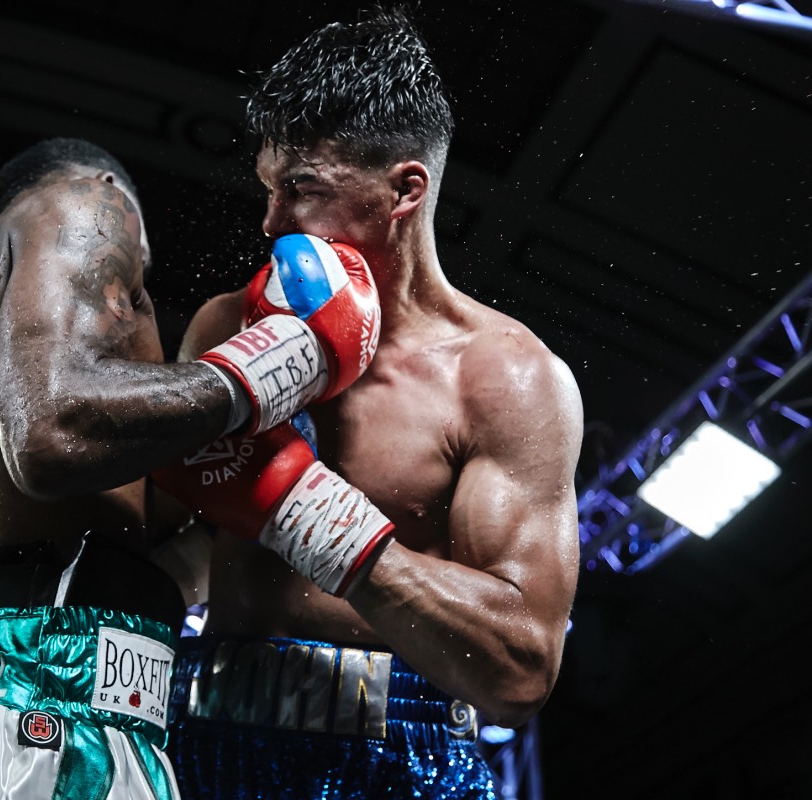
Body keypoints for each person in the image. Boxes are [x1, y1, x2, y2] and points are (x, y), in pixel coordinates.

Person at [0, 137, 384, 799]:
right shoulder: (85, 202)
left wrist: (249, 489)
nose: (131, 291)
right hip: (42, 734)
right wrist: (275, 366)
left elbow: (81, 539)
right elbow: (52, 436)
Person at [157, 7, 585, 799]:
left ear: (404, 190)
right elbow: (170, 533)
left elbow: (521, 667)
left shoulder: (503, 378)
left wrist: (307, 513)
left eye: (302, 188)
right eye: (268, 188)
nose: (272, 221)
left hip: (401, 758)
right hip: (204, 734)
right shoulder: (230, 327)